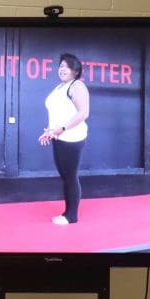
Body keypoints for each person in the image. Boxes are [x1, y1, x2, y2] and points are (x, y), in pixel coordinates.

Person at [38, 52, 90, 224]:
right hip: (59, 136)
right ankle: (68, 212)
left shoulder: (77, 86)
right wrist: (51, 131)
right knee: (66, 176)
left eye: (66, 67)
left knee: (70, 176)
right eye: (60, 66)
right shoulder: (60, 87)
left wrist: (62, 129)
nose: (62, 69)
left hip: (72, 138)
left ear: (76, 71)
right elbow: (59, 113)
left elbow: (83, 113)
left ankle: (71, 215)